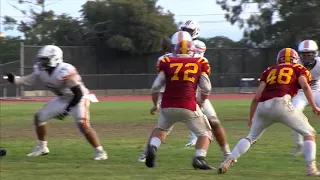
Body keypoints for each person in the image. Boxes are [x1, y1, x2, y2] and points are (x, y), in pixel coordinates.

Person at [218, 48, 320, 176]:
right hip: (282, 104)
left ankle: (228, 160)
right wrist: (314, 106)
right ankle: (311, 168)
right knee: (309, 133)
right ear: (296, 59)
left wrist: (251, 117)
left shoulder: (269, 70)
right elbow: (305, 86)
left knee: (250, 137)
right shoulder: (299, 69)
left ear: (278, 60)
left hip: (263, 106)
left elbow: (256, 97)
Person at [6, 45, 107, 160]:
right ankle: (42, 147)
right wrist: (14, 80)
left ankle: (100, 152)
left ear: (55, 58)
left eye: (45, 59)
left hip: (79, 98)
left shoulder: (65, 70)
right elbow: (28, 80)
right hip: (63, 98)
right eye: (41, 58)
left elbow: (77, 93)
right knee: (39, 117)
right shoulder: (40, 69)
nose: (42, 61)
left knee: (81, 123)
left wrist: (66, 110)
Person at [145, 31, 214, 169]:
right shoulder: (199, 62)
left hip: (167, 105)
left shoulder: (167, 62)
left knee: (161, 129)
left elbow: (155, 88)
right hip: (188, 104)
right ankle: (199, 158)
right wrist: (200, 102)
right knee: (205, 133)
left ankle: (152, 147)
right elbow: (206, 88)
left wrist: (155, 105)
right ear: (192, 51)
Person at [180, 20, 231, 161]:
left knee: (213, 121)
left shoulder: (198, 45)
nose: (185, 33)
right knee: (165, 124)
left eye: (188, 30)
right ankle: (148, 152)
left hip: (195, 89)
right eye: (184, 30)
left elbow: (198, 64)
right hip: (182, 90)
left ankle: (226, 152)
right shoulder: (179, 44)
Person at [290, 40, 320, 156]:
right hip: (301, 93)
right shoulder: (295, 65)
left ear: (315, 54)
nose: (306, 57)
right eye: (304, 54)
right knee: (292, 115)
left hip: (317, 90)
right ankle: (299, 145)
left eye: (309, 54)